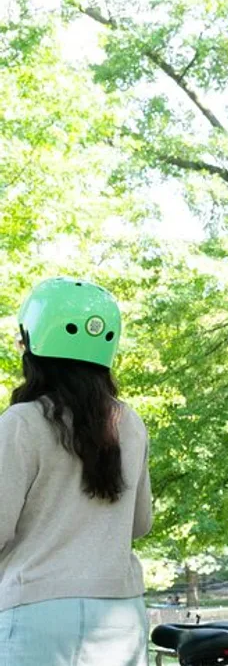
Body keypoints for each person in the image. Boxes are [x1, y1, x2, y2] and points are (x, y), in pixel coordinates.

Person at [0, 277, 152, 666]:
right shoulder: (129, 424)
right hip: (120, 615)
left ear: (34, 347)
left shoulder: (22, 422)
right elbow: (140, 524)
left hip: (35, 610)